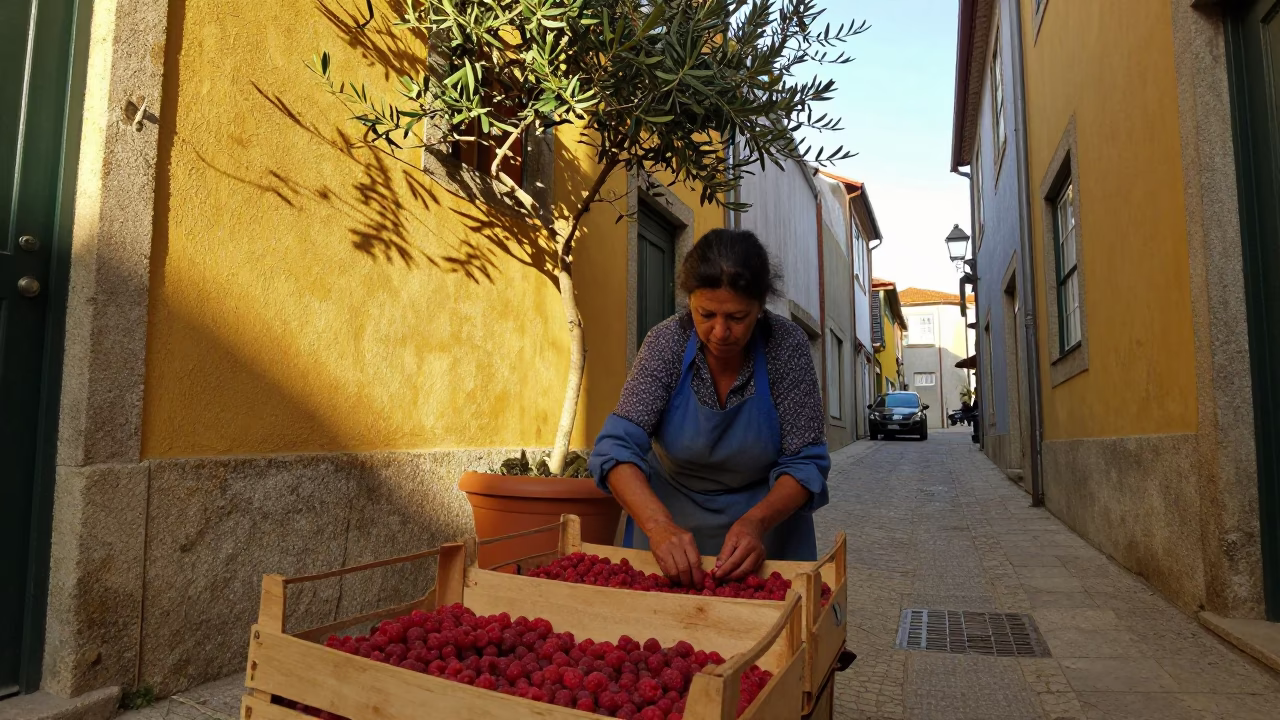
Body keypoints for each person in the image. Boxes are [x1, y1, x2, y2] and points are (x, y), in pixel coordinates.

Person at [588, 229, 830, 588]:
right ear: (690, 302)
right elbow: (615, 449)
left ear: (760, 307)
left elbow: (806, 462)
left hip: (767, 532)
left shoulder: (786, 346)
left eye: (737, 317)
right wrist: (658, 526)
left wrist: (756, 523)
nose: (720, 331)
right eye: (706, 314)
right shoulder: (666, 343)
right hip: (669, 524)